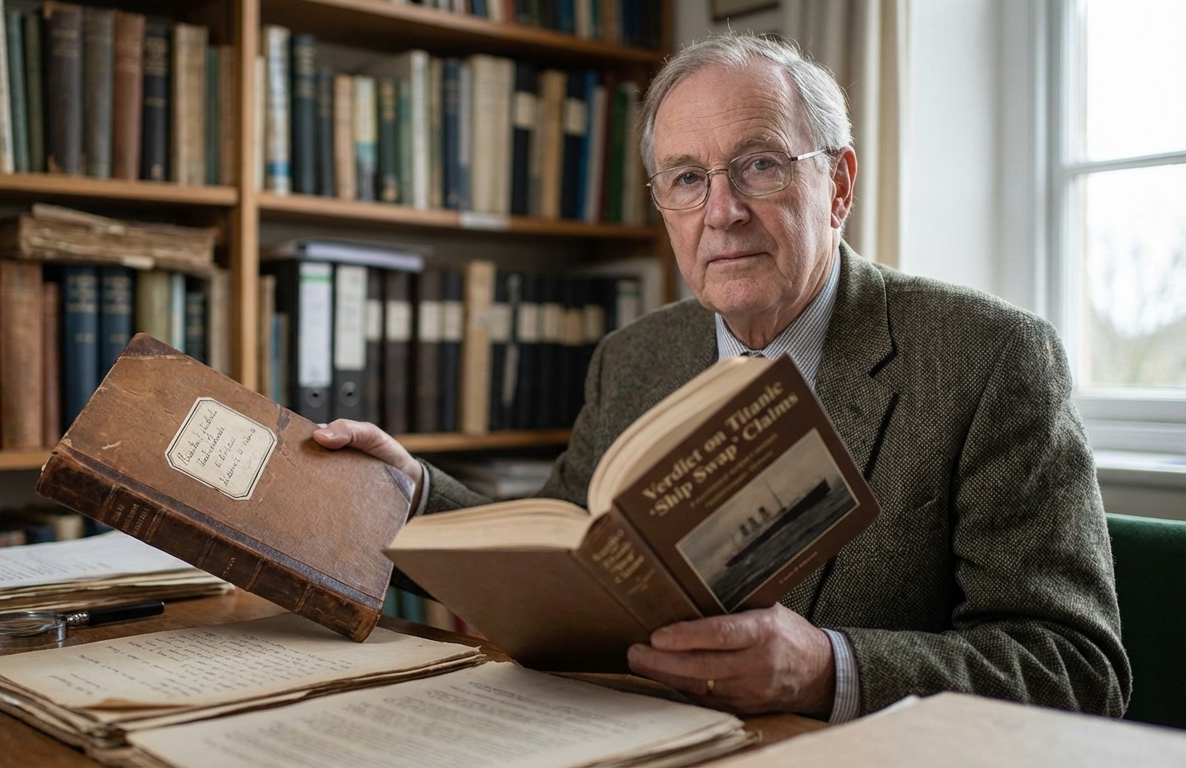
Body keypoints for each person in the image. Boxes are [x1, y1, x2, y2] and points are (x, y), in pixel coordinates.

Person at [313, 33, 1129, 722]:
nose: (723, 211)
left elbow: (1076, 667)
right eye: (687, 178)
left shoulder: (991, 359)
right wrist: (411, 492)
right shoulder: (634, 358)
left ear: (838, 186)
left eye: (760, 165)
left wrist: (829, 668)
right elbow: (561, 545)